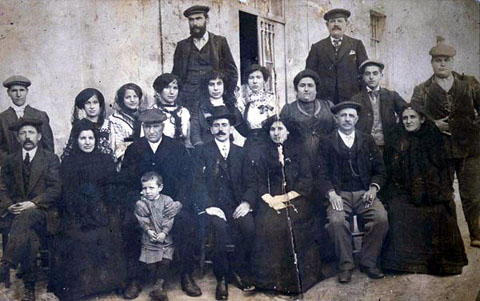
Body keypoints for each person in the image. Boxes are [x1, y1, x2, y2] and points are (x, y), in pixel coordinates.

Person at [120, 108, 200, 298]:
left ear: (163, 126)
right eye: (148, 127)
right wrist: (135, 201)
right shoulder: (134, 149)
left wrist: (180, 202)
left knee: (186, 222)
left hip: (171, 205)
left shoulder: (177, 148)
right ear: (143, 128)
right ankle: (135, 278)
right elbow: (124, 183)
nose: (152, 131)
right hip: (143, 205)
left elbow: (188, 180)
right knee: (128, 224)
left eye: (156, 126)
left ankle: (186, 275)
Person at [245, 115, 327, 295]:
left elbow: (306, 181)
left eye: (280, 129)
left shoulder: (300, 152)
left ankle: (295, 282)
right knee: (266, 224)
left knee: (288, 225)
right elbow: (258, 182)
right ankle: (267, 280)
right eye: (273, 129)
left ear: (288, 132)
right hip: (271, 201)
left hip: (297, 199)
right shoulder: (263, 154)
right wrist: (270, 200)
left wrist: (284, 198)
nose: (276, 133)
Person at [410, 36, 480, 248]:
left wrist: (471, 126)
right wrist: (433, 125)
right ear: (431, 63)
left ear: (452, 62)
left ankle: (476, 234)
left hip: (469, 148)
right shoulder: (422, 89)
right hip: (439, 151)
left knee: (473, 195)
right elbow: (413, 117)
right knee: (442, 194)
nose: (442, 63)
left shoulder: (469, 83)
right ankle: (448, 238)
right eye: (438, 60)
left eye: (446, 60)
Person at [381, 105, 467, 275]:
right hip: (403, 190)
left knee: (440, 211)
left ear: (421, 119)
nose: (408, 121)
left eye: (412, 117)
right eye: (405, 118)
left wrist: (438, 190)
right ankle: (406, 263)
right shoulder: (397, 140)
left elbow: (443, 169)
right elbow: (389, 171)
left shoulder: (433, 138)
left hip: (431, 189)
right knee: (398, 211)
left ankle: (438, 263)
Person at [50, 119, 126, 300]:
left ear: (96, 139)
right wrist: (81, 209)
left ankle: (108, 283)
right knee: (76, 238)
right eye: (82, 138)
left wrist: (103, 207)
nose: (87, 142)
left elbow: (113, 186)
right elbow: (65, 192)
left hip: (102, 211)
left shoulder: (105, 159)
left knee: (108, 234)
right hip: (76, 213)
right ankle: (82, 288)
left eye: (91, 138)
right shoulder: (68, 163)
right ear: (76, 140)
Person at [315, 101, 388, 284]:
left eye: (351, 116)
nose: (347, 119)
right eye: (343, 116)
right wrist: (331, 194)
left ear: (357, 119)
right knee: (336, 221)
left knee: (381, 218)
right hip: (340, 194)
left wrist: (373, 189)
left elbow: (380, 170)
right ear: (336, 118)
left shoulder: (367, 139)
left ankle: (368, 261)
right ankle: (345, 265)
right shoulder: (326, 141)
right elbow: (320, 174)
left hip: (364, 192)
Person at [193, 106, 255, 300]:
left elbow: (252, 182)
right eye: (216, 125)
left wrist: (246, 203)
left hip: (237, 204)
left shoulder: (241, 152)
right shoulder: (202, 151)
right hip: (213, 206)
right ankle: (221, 278)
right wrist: (209, 206)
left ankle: (237, 269)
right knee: (220, 231)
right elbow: (196, 182)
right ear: (211, 129)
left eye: (224, 125)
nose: (220, 129)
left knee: (249, 228)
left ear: (230, 129)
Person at [0, 118, 61, 301]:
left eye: (31, 132)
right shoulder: (10, 160)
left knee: (27, 219)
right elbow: (2, 188)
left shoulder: (50, 159)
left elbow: (55, 189)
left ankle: (7, 261)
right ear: (18, 138)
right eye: (23, 133)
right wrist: (9, 205)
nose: (27, 137)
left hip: (43, 212)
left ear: (39, 136)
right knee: (29, 236)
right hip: (17, 213)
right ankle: (29, 288)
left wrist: (33, 203)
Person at [172, 5, 238, 111]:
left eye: (198, 18)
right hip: (188, 99)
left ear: (206, 19)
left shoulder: (220, 42)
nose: (195, 23)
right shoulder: (182, 46)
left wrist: (227, 94)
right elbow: (175, 75)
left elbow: (232, 72)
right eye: (191, 20)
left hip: (213, 97)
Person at [306, 8, 368, 104]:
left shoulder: (356, 45)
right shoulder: (317, 48)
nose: (336, 24)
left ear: (346, 24)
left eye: (340, 21)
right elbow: (310, 75)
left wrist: (362, 98)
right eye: (332, 21)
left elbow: (364, 73)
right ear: (327, 25)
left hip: (351, 100)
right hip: (325, 102)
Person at [351, 60, 407, 153]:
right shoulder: (356, 99)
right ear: (363, 77)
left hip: (389, 146)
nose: (371, 77)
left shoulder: (392, 96)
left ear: (381, 75)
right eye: (367, 74)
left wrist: (398, 133)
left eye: (375, 73)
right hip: (364, 147)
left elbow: (406, 113)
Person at [135, 172, 175, 301]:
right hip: (150, 239)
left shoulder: (167, 200)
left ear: (160, 187)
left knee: (165, 262)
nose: (148, 191)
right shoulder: (142, 203)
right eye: (144, 188)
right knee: (150, 264)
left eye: (151, 188)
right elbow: (141, 218)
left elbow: (169, 218)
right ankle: (154, 282)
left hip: (165, 239)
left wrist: (164, 232)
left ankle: (159, 286)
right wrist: (148, 230)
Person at [280, 69, 336, 160]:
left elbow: (337, 130)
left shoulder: (328, 106)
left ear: (316, 89)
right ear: (296, 89)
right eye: (302, 86)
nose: (306, 89)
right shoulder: (288, 109)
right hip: (299, 161)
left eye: (310, 86)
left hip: (327, 159)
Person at [0, 75, 54, 164]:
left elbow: (48, 146)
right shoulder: (2, 118)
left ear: (27, 91)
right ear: (8, 93)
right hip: (12, 169)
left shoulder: (40, 116)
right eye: (14, 91)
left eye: (22, 90)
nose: (18, 94)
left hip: (37, 168)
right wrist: (9, 162)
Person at [190, 70, 247, 147]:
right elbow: (195, 133)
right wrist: (202, 150)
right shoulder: (200, 106)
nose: (216, 88)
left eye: (219, 84)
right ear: (206, 87)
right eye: (211, 84)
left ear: (224, 85)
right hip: (206, 149)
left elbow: (242, 130)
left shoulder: (230, 105)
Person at [236, 64, 276, 160]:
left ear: (264, 80)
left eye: (258, 77)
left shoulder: (272, 100)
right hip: (251, 145)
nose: (254, 81)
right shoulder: (243, 103)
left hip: (270, 144)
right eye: (251, 78)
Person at [62, 88, 113, 158]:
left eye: (95, 102)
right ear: (83, 105)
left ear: (100, 105)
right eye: (88, 103)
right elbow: (69, 150)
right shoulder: (77, 126)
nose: (92, 107)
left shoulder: (109, 125)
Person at [152, 73, 192, 148]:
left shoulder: (184, 112)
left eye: (175, 88)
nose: (172, 92)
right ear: (159, 90)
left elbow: (187, 140)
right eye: (167, 87)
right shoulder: (152, 112)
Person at [108, 83, 142, 164]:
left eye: (135, 96)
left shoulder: (143, 115)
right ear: (121, 100)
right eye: (128, 97)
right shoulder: (115, 120)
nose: (132, 100)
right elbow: (117, 144)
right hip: (126, 159)